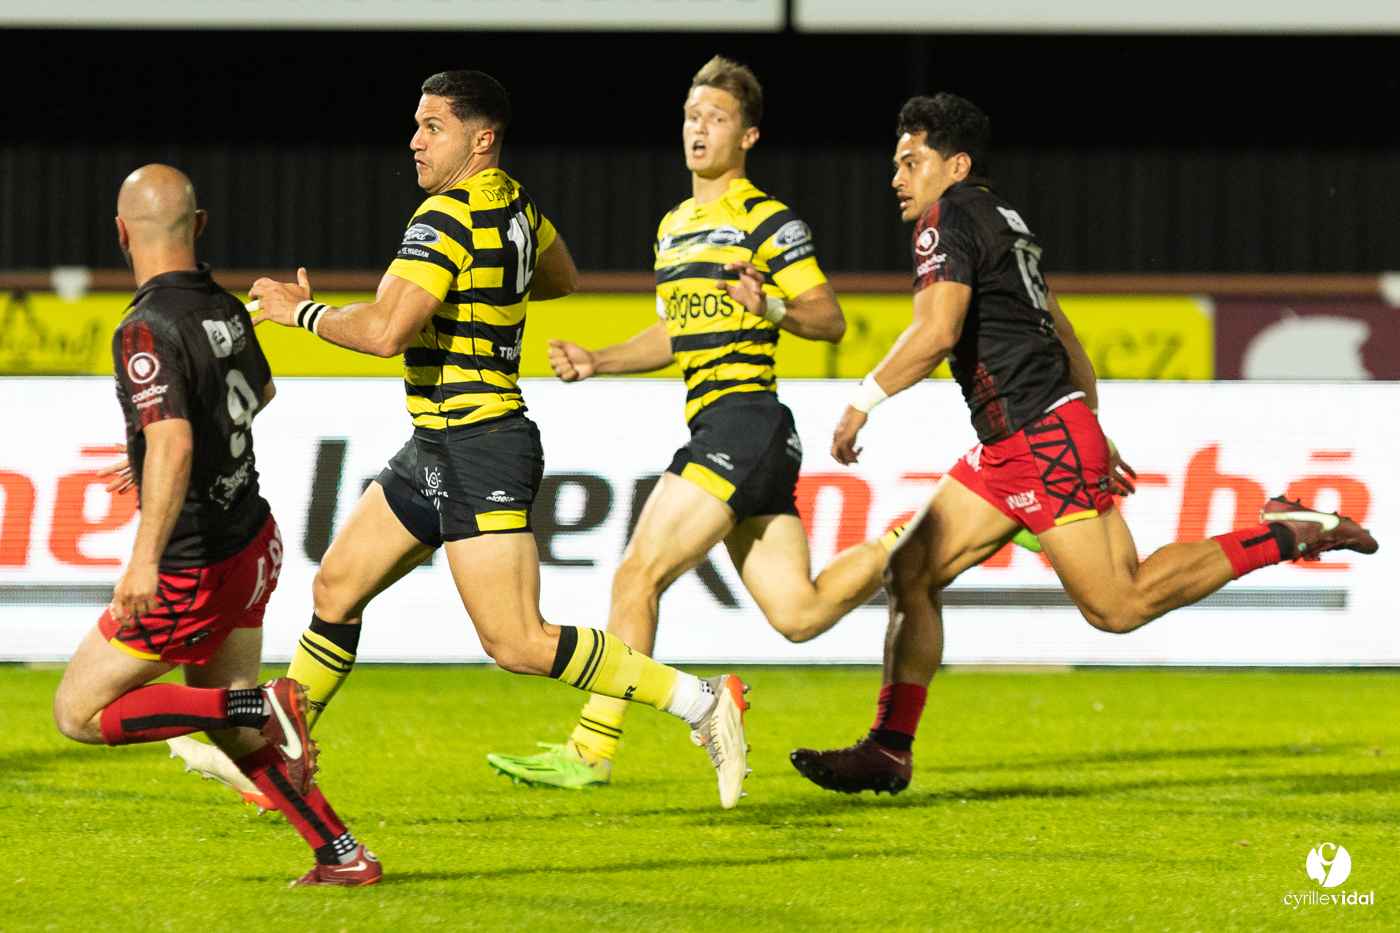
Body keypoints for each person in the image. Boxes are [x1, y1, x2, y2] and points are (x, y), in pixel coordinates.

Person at [789, 94, 1379, 795]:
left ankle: (1285, 532)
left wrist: (862, 402)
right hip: (1024, 441)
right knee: (910, 573)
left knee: (1118, 606)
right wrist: (1086, 419)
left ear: (956, 164)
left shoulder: (947, 219)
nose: (897, 178)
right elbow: (1064, 334)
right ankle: (889, 747)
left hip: (1035, 438)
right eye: (896, 164)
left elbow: (937, 333)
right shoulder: (1005, 221)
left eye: (910, 163)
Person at [228, 70, 747, 809]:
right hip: (436, 443)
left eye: (431, 126)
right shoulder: (513, 205)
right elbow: (562, 275)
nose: (414, 140)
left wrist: (298, 313)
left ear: (482, 138)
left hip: (478, 444)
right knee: (337, 585)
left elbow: (382, 332)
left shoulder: (444, 218)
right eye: (416, 125)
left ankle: (701, 701)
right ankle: (284, 755)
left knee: (518, 643)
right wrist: (485, 287)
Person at [485, 56, 903, 791]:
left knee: (636, 574)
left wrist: (768, 306)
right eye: (690, 115)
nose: (697, 128)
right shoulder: (674, 226)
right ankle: (914, 535)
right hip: (736, 431)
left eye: (715, 117)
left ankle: (591, 750)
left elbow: (829, 318)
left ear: (748, 135)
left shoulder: (767, 221)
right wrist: (600, 359)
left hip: (746, 421)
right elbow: (674, 332)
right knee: (798, 613)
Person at [53, 165, 380, 887]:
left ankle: (265, 702)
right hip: (253, 542)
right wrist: (154, 450)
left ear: (119, 232)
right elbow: (258, 393)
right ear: (198, 227)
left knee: (78, 712)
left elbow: (172, 441)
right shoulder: (223, 306)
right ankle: (341, 852)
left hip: (193, 560)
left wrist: (143, 560)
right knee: (231, 731)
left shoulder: (144, 324)